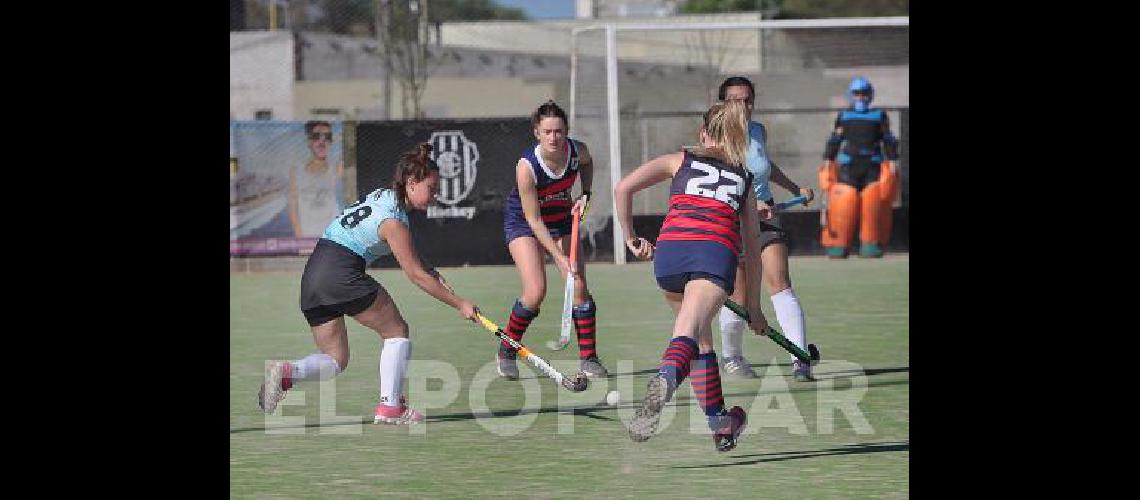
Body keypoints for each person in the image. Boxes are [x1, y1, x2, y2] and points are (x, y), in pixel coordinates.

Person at [258, 143, 479, 425]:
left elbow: (411, 254)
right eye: (431, 189)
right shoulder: (394, 221)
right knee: (397, 330)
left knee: (335, 359)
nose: (435, 196)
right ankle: (390, 408)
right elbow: (415, 274)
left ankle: (288, 372)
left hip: (313, 276)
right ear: (412, 183)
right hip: (342, 273)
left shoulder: (383, 196)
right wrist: (460, 303)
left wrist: (430, 269)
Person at [614, 99, 763, 452]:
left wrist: (631, 239)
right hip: (713, 253)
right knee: (688, 331)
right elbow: (753, 248)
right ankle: (665, 379)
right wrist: (754, 306)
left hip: (670, 255)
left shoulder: (680, 159)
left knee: (699, 338)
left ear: (703, 134)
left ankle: (720, 422)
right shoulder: (744, 177)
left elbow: (623, 188)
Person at [496, 100, 608, 380]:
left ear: (566, 130)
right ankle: (507, 349)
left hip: (560, 218)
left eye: (558, 131)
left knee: (579, 285)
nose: (553, 137)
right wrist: (558, 257)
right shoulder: (527, 167)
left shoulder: (576, 150)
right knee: (535, 292)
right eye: (547, 132)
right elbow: (533, 220)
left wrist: (586, 193)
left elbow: (588, 163)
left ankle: (589, 359)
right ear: (537, 132)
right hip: (523, 222)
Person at [715, 76, 817, 382]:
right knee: (739, 294)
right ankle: (732, 356)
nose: (743, 106)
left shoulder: (758, 130)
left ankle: (800, 358)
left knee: (780, 280)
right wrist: (746, 205)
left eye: (748, 99)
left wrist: (794, 186)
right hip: (731, 216)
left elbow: (765, 168)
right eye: (735, 100)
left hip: (766, 214)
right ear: (722, 104)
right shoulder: (714, 136)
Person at [819, 76, 901, 259]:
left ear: (870, 95)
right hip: (848, 166)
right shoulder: (844, 116)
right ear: (852, 95)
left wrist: (893, 160)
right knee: (843, 202)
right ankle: (838, 245)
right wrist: (828, 161)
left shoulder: (879, 115)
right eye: (857, 93)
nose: (861, 97)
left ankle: (871, 244)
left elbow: (888, 139)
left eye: (864, 93)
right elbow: (835, 140)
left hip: (872, 166)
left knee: (873, 202)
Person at [289, 120, 345, 239]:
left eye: (327, 137)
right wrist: (300, 238)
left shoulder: (336, 170)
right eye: (316, 137)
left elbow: (348, 153)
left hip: (331, 240)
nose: (322, 141)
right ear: (309, 141)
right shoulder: (297, 172)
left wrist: (339, 139)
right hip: (307, 239)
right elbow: (293, 209)